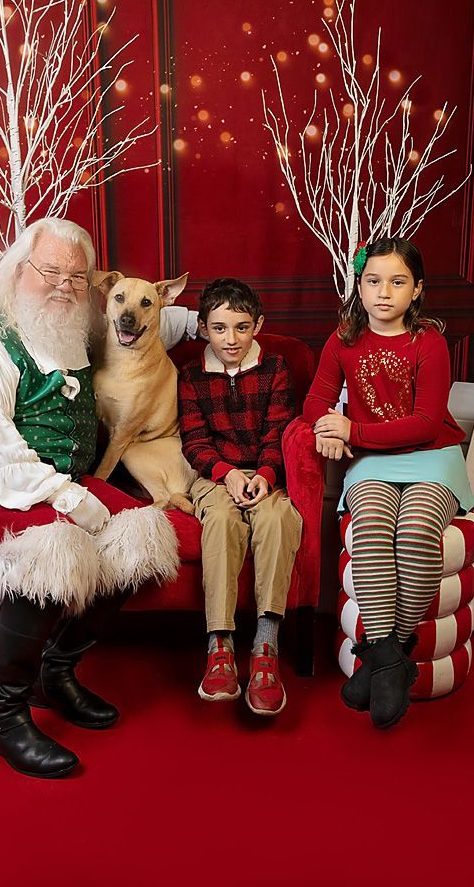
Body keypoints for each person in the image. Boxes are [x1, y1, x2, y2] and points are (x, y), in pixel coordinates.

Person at [0, 218, 188, 779]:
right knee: (50, 549)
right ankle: (0, 714)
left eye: (77, 276)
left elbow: (159, 313)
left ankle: (54, 671)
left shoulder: (72, 340)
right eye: (50, 271)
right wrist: (70, 500)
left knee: (142, 534)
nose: (65, 285)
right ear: (19, 272)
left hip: (49, 480)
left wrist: (212, 323)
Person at [302, 236, 474, 730]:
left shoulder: (429, 342)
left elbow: (425, 423)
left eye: (397, 282)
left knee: (416, 530)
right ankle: (392, 662)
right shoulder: (343, 339)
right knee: (374, 528)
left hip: (431, 457)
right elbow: (315, 401)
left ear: (416, 289)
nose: (383, 292)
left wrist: (351, 431)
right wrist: (326, 429)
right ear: (358, 286)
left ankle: (382, 660)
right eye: (373, 281)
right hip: (373, 462)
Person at [177, 278, 303, 716]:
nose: (230, 339)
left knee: (277, 519)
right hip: (214, 477)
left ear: (258, 325)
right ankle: (220, 646)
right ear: (202, 328)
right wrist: (226, 474)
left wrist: (265, 475)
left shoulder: (275, 367)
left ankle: (266, 647)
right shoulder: (191, 375)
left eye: (242, 327)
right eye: (219, 328)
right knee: (222, 522)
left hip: (266, 473)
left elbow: (279, 430)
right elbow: (194, 441)